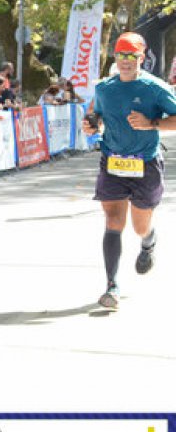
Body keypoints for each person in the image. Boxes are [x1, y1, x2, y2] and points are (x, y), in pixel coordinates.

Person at [80, 32, 176, 310]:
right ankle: (112, 286)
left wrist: (151, 123)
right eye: (121, 55)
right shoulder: (104, 88)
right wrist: (91, 123)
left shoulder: (154, 88)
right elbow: (96, 114)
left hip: (145, 163)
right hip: (112, 161)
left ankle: (148, 241)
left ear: (141, 58)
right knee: (113, 221)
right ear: (115, 57)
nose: (125, 61)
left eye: (131, 56)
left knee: (140, 226)